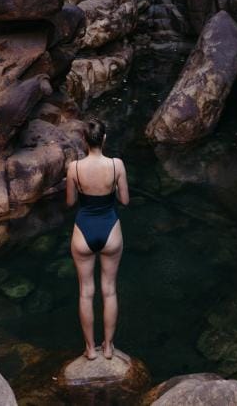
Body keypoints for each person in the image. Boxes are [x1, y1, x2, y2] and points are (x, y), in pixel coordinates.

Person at [65, 119, 130, 360]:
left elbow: (70, 203)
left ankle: (91, 349)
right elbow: (124, 200)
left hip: (83, 230)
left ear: (84, 140)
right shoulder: (116, 165)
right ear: (103, 139)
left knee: (86, 293)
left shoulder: (74, 168)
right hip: (110, 229)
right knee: (110, 291)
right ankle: (109, 347)